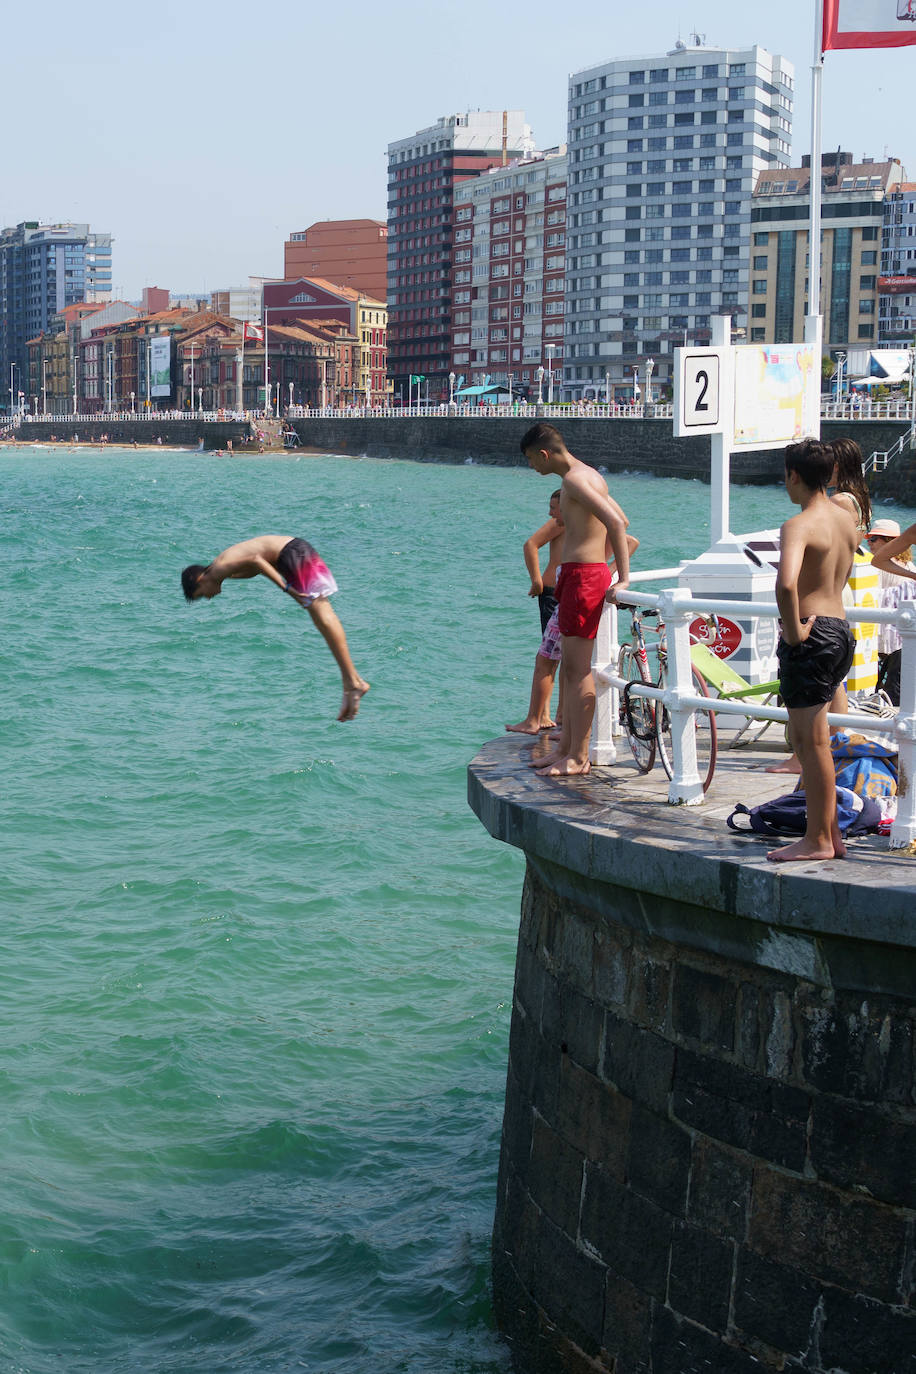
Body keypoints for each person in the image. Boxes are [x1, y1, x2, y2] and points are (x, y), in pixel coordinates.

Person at [519, 422, 630, 776]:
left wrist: (620, 575)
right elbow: (621, 518)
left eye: (531, 461)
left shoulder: (575, 481)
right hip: (577, 575)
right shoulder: (585, 476)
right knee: (568, 667)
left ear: (544, 454)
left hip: (584, 577)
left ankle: (579, 756)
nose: (533, 468)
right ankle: (565, 748)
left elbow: (616, 523)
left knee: (580, 671)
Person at [767, 439, 857, 863]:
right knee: (817, 740)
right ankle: (830, 834)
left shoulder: (799, 524)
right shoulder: (845, 520)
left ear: (794, 475)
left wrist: (795, 634)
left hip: (812, 634)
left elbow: (786, 584)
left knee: (809, 743)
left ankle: (817, 840)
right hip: (840, 629)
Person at [181, 535, 370, 721]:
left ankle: (353, 682)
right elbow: (258, 565)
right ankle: (350, 682)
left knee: (323, 614)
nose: (206, 597)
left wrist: (287, 589)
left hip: (292, 553)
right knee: (319, 619)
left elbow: (256, 560)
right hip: (288, 557)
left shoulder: (218, 570)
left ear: (199, 580)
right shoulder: (224, 571)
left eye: (201, 594)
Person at [505, 491, 565, 735]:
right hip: (551, 591)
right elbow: (530, 544)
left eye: (554, 507)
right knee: (552, 655)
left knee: (553, 657)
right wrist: (537, 580)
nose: (550, 512)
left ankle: (545, 714)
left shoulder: (573, 521)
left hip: (558, 593)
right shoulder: (563, 523)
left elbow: (629, 539)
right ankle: (546, 713)